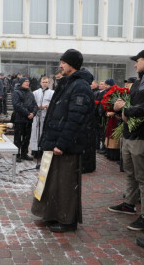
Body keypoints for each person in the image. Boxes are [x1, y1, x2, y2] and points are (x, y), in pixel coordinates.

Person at [31, 49, 94, 232]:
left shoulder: (80, 86)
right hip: (57, 141)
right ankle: (53, 214)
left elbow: (76, 118)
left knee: (66, 184)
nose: (60, 65)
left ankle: (68, 221)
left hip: (67, 146)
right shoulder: (68, 83)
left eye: (63, 63)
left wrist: (62, 143)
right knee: (53, 182)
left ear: (72, 64)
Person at [108, 49, 144, 234]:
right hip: (131, 133)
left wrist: (126, 109)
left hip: (142, 136)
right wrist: (119, 108)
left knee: (143, 177)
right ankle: (130, 204)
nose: (135, 64)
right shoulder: (139, 81)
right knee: (130, 172)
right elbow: (132, 105)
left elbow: (143, 108)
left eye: (137, 60)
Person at [12, 77, 38, 162]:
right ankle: (16, 154)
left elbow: (35, 105)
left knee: (27, 138)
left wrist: (33, 113)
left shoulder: (30, 93)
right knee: (18, 138)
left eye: (28, 82)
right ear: (21, 83)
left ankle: (24, 153)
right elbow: (17, 105)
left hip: (29, 120)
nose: (27, 83)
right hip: (19, 119)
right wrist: (27, 113)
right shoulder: (16, 92)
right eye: (25, 82)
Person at [30, 76, 54, 159]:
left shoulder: (52, 93)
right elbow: (32, 103)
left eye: (46, 82)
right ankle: (35, 150)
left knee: (43, 132)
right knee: (35, 133)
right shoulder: (35, 92)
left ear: (49, 83)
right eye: (43, 82)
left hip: (46, 115)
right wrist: (37, 107)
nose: (45, 84)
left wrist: (48, 106)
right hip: (37, 115)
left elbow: (54, 104)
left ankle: (42, 149)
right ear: (40, 83)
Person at [103, 78, 121, 161]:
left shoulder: (116, 92)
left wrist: (113, 113)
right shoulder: (109, 92)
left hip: (115, 119)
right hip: (111, 117)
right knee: (109, 134)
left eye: (106, 84)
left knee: (113, 135)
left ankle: (114, 155)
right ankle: (109, 153)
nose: (105, 86)